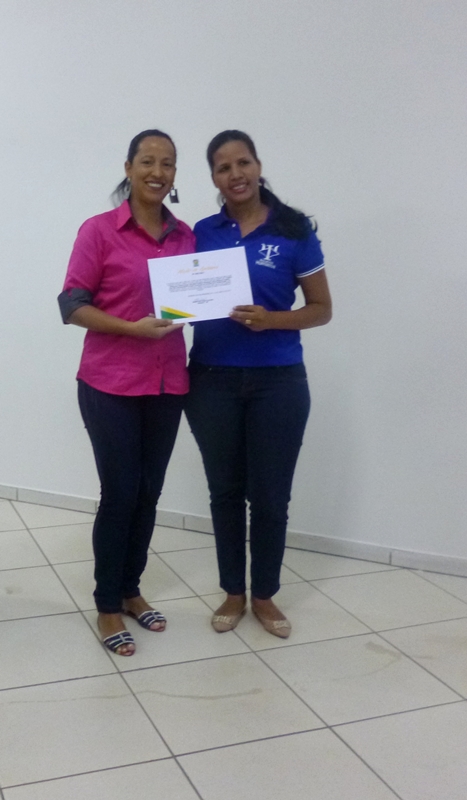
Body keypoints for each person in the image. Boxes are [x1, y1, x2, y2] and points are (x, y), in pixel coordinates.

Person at [185, 130, 332, 638]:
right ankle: (233, 591)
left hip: (278, 382)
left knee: (270, 497)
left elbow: (321, 309)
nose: (235, 174)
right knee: (225, 493)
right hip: (211, 380)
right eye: (223, 167)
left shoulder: (293, 229)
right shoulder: (201, 232)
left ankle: (265, 595)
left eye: (242, 162)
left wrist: (272, 321)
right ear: (213, 178)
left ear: (258, 165)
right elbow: (182, 293)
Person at [58, 129, 195, 656]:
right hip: (109, 383)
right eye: (147, 161)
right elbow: (72, 305)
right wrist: (131, 329)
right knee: (120, 494)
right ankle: (107, 604)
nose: (157, 172)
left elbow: (198, 297)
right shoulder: (98, 231)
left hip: (167, 383)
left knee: (148, 493)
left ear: (175, 174)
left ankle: (132, 589)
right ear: (129, 167)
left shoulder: (186, 237)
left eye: (168, 163)